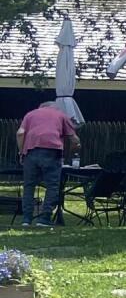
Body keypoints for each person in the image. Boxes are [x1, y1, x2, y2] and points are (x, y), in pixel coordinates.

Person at [17, 98, 79, 229]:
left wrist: (21, 152)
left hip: (31, 152)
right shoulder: (61, 115)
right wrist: (71, 152)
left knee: (29, 186)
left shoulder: (30, 114)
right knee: (52, 186)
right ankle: (44, 218)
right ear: (55, 107)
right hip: (52, 152)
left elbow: (20, 133)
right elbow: (74, 140)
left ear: (41, 107)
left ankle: (26, 219)